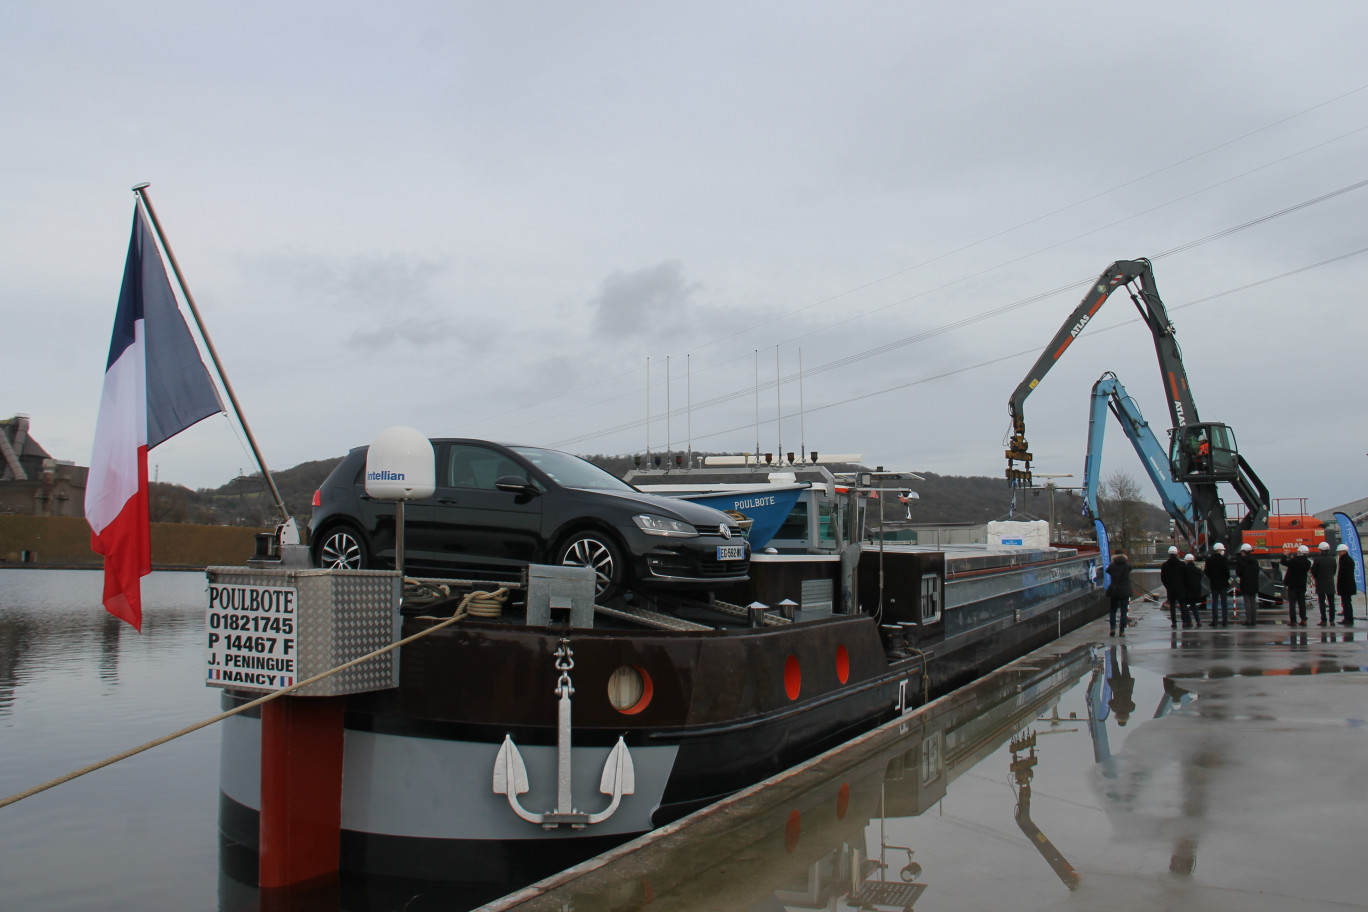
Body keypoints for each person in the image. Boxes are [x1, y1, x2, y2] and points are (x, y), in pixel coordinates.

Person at [1281, 544, 1312, 626]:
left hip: (1292, 585)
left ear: (1299, 552)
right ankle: (1303, 619)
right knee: (1302, 603)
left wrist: (1285, 555)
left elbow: (1284, 562)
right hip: (1302, 585)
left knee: (1292, 604)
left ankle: (1293, 621)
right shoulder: (1308, 562)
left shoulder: (1294, 560)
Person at [1204, 542, 1231, 626]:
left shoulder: (1209, 560)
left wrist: (1212, 577)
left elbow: (1206, 572)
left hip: (1214, 583)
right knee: (1224, 603)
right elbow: (1227, 572)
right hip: (1223, 584)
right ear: (1219, 550)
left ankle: (1214, 621)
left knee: (1214, 603)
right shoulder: (1224, 559)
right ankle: (1225, 620)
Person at [1106, 551, 1133, 636]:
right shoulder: (1128, 566)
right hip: (1125, 590)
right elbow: (1131, 568)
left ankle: (1113, 628)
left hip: (1114, 589)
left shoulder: (1112, 566)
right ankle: (1122, 631)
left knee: (1113, 610)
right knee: (1124, 611)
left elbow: (1107, 571)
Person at [1311, 541, 1337, 626]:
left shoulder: (1317, 560)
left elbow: (1313, 571)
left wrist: (1317, 577)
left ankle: (1324, 620)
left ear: (1320, 550)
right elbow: (1334, 571)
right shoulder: (1333, 559)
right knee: (1331, 602)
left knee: (1322, 603)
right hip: (1330, 583)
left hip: (1320, 583)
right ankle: (1332, 620)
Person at [1235, 542, 1261, 627]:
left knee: (1247, 602)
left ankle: (1248, 620)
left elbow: (1238, 572)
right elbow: (1257, 571)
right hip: (1254, 582)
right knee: (1253, 602)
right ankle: (1254, 620)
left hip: (1245, 583)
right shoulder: (1255, 561)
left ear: (1244, 551)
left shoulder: (1241, 561)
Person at [1161, 545, 1186, 628]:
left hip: (1170, 588)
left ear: (1169, 554)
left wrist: (1167, 586)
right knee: (1182, 605)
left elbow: (1163, 578)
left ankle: (1174, 622)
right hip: (1180, 588)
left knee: (1172, 606)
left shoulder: (1165, 565)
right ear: (1177, 554)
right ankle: (1184, 621)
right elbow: (1185, 577)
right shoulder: (1182, 565)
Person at [1337, 543, 1358, 626]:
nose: (1338, 553)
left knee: (1346, 602)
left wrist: (1341, 585)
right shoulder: (1347, 559)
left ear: (1344, 551)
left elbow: (1344, 574)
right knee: (1347, 602)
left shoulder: (1346, 560)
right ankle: (1348, 618)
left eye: (1339, 552)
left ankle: (1348, 618)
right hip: (1347, 585)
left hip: (1346, 586)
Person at [1182, 553, 1204, 628]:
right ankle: (1198, 621)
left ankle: (1189, 621)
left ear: (1186, 561)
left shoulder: (1184, 570)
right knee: (1194, 606)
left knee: (1185, 607)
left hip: (1186, 591)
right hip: (1195, 592)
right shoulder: (1197, 570)